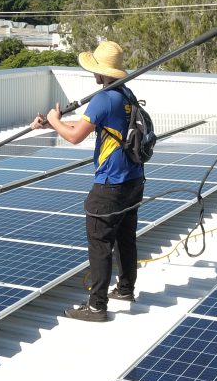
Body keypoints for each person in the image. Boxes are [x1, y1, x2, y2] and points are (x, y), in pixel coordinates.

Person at [31, 41, 145, 322]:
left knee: (100, 243)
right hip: (134, 180)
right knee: (125, 238)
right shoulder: (125, 94)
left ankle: (96, 306)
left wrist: (54, 119)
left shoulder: (104, 98)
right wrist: (50, 123)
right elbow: (82, 127)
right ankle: (126, 289)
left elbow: (74, 136)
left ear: (101, 71)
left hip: (111, 185)